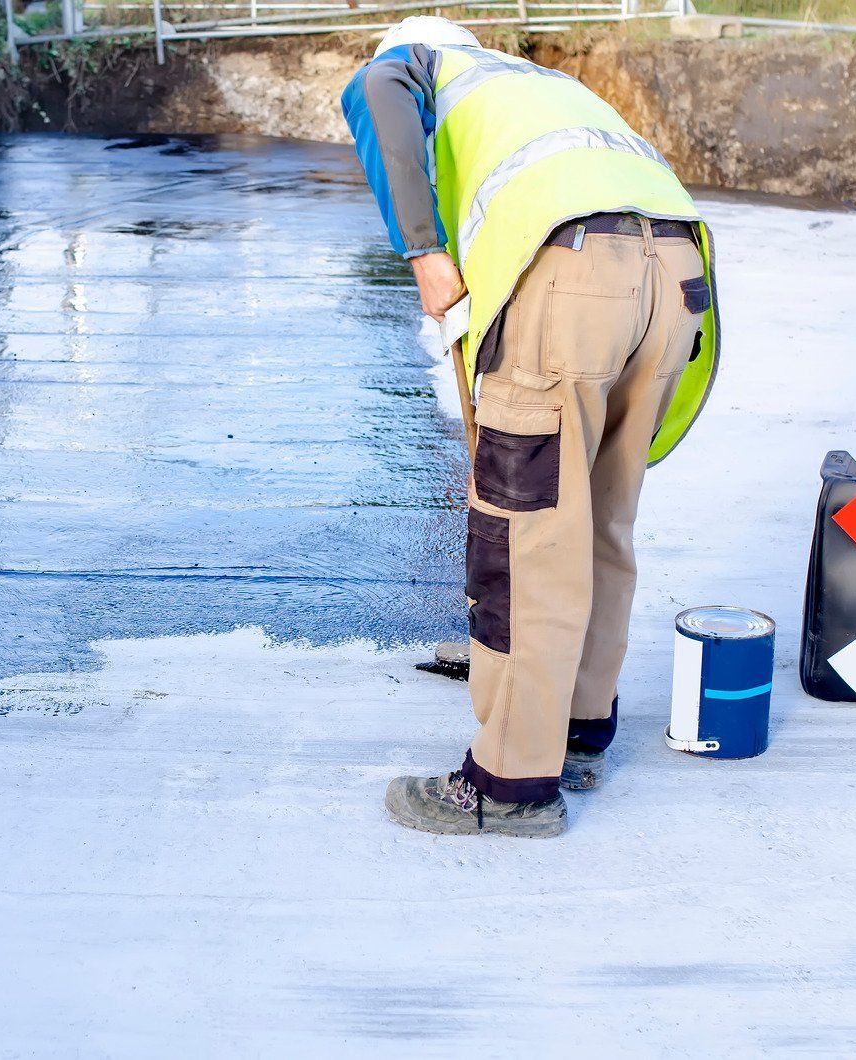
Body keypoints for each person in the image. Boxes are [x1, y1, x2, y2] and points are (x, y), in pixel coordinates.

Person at [340, 17, 721, 836]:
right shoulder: (532, 86)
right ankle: (579, 728)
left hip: (576, 276)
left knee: (524, 535)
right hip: (676, 274)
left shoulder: (417, 64)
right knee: (600, 517)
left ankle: (511, 782)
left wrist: (422, 253)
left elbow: (377, 92)